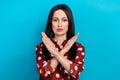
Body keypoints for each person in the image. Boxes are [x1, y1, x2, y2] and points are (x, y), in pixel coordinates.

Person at [35, 4, 85, 80]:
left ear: (69, 23)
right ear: (50, 23)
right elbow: (43, 73)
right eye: (55, 20)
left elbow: (76, 72)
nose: (59, 24)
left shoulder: (79, 47)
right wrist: (62, 52)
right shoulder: (41, 47)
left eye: (64, 20)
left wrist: (56, 53)